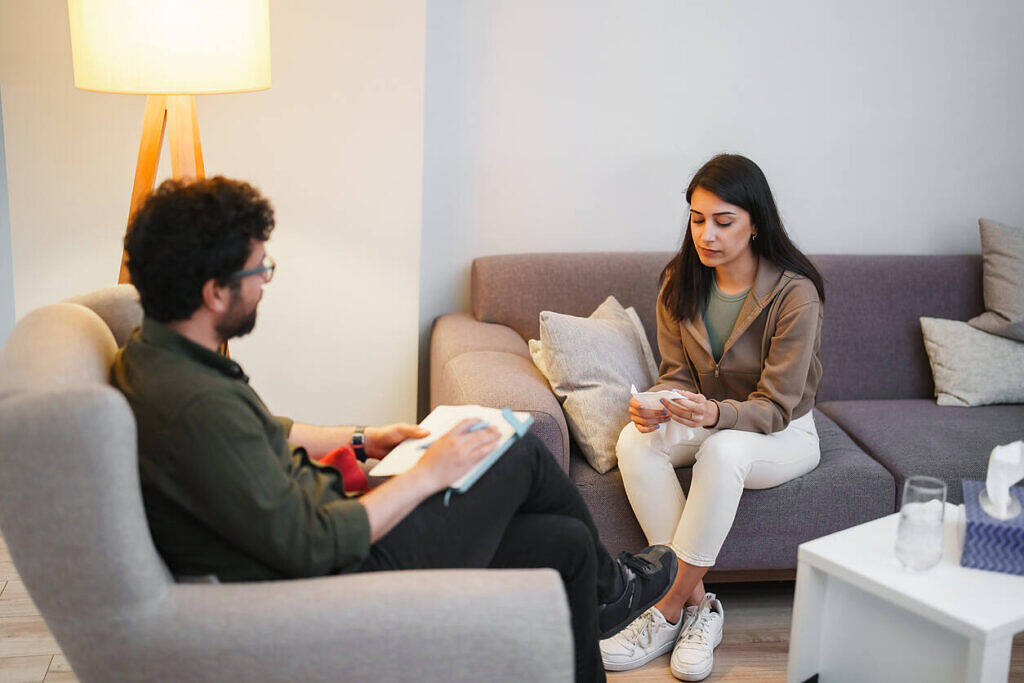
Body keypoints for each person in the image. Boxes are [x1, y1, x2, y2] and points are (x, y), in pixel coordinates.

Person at [111, 176, 677, 683]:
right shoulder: (196, 404)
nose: (264, 282)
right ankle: (616, 593)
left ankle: (605, 593)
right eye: (260, 269)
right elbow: (311, 546)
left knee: (568, 544)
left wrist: (366, 438)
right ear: (214, 291)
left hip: (338, 523)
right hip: (343, 572)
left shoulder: (159, 355)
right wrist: (428, 475)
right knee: (518, 451)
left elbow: (265, 430)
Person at [600, 154, 825, 681]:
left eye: (724, 221)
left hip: (784, 430)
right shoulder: (681, 280)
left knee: (723, 451)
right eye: (698, 219)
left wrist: (715, 414)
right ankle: (702, 607)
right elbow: (677, 373)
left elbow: (775, 406)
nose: (707, 234)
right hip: (709, 416)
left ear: (756, 222)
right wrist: (656, 403)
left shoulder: (796, 294)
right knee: (634, 442)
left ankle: (666, 609)